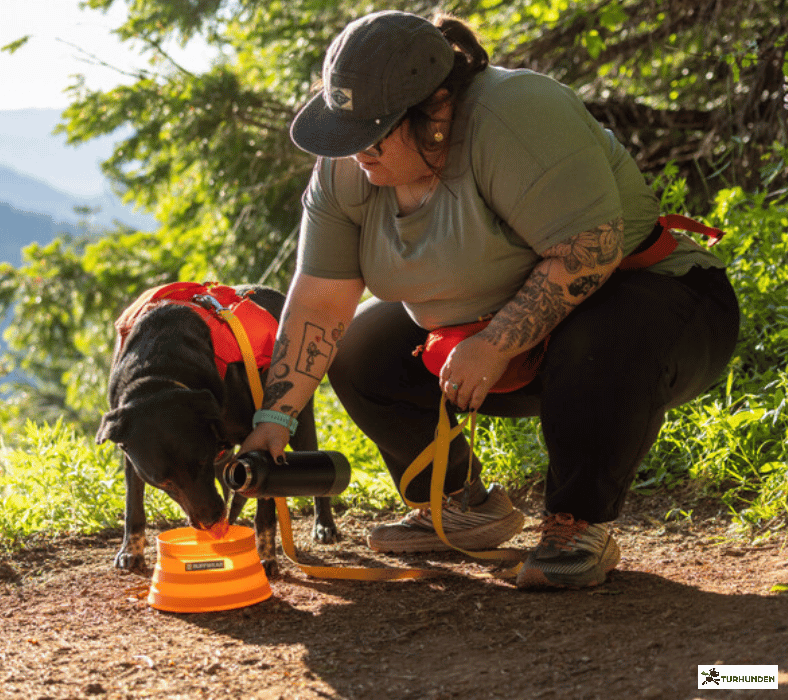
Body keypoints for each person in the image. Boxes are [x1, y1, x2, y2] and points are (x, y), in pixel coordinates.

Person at [238, 11, 740, 589]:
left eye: (372, 133)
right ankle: (458, 504)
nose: (357, 153)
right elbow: (320, 304)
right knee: (362, 349)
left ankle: (578, 525)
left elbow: (591, 251)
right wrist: (277, 418)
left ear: (436, 111)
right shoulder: (347, 171)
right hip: (491, 330)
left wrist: (497, 342)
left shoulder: (515, 114)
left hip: (661, 305)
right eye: (346, 132)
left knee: (601, 336)